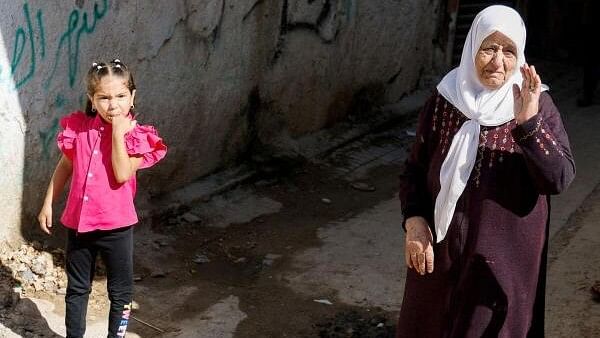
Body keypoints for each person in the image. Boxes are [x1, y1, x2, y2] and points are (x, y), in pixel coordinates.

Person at [396, 5, 575, 338]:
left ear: (520, 55)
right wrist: (415, 221)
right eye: (489, 48)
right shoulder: (445, 99)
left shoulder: (536, 104)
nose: (498, 62)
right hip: (437, 260)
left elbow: (559, 178)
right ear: (471, 48)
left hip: (499, 270)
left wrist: (529, 124)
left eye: (509, 51)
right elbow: (414, 171)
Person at [38, 59, 167, 338]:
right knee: (77, 288)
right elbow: (65, 166)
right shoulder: (79, 129)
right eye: (104, 98)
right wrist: (48, 201)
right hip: (79, 225)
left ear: (132, 96)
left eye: (121, 96)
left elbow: (122, 174)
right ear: (91, 100)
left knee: (120, 292)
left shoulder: (136, 137)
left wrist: (118, 134)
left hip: (116, 228)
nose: (113, 105)